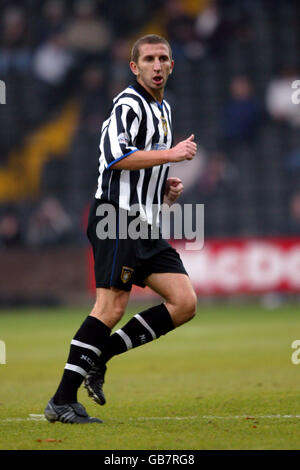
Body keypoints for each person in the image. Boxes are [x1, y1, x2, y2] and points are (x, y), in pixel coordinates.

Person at [44, 34, 198, 424]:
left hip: (144, 221)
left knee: (184, 303)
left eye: (164, 58)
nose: (157, 65)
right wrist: (172, 154)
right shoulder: (128, 103)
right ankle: (62, 400)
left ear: (172, 65)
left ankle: (103, 355)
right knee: (110, 306)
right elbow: (117, 157)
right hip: (117, 218)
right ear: (135, 67)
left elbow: (142, 166)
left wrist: (162, 189)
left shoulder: (163, 109)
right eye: (149, 59)